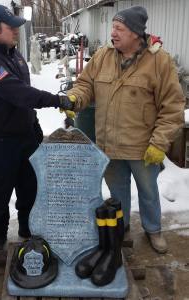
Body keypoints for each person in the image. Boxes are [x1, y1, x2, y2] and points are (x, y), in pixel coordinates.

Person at [68, 6, 185, 254]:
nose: (114, 33)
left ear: (135, 33)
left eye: (119, 28)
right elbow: (85, 84)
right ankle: (121, 229)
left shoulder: (158, 61)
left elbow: (173, 106)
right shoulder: (103, 55)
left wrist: (159, 142)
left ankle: (154, 230)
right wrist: (74, 99)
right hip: (109, 143)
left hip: (142, 146)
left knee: (149, 192)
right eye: (113, 27)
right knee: (117, 192)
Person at [0, 4, 75, 250]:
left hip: (25, 137)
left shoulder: (15, 56)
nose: (17, 31)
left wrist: (34, 125)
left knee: (29, 187)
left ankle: (27, 229)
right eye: (11, 27)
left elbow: (24, 101)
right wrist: (56, 100)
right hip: (0, 141)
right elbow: (18, 93)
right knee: (0, 192)